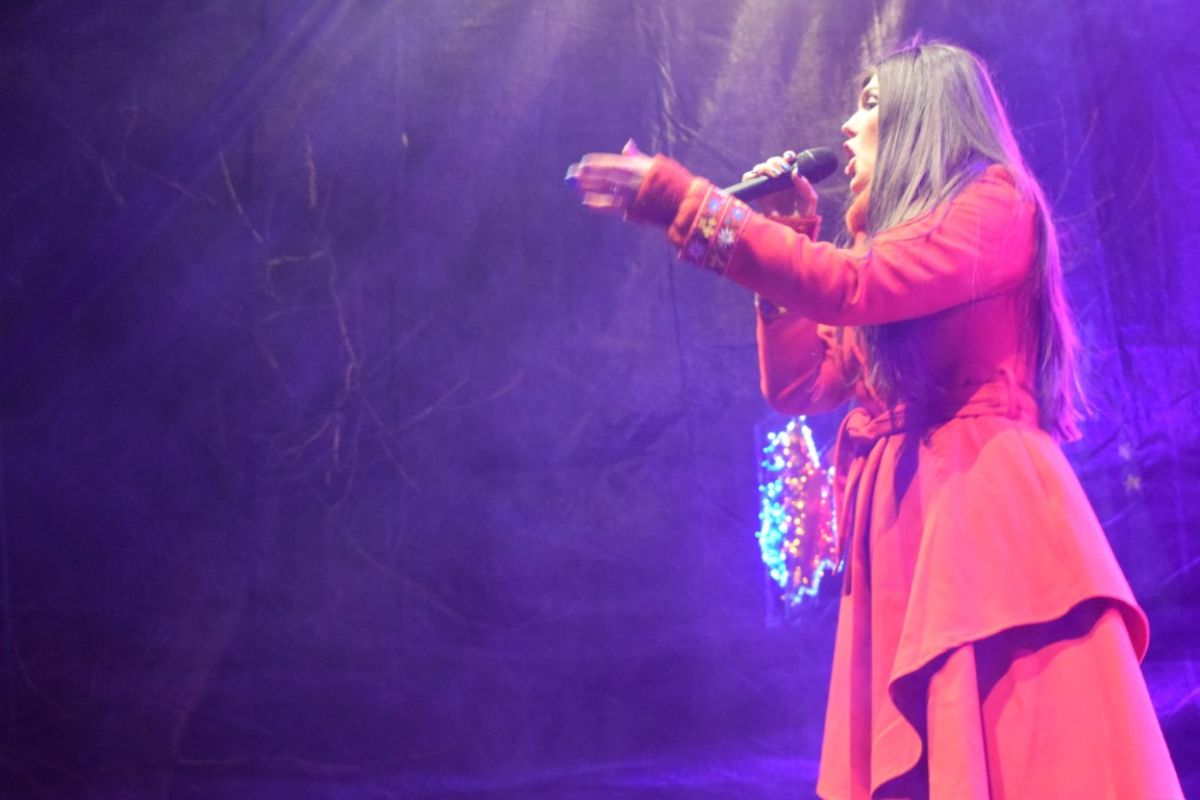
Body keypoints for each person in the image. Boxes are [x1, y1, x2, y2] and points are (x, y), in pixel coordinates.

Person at [566, 40, 1183, 799]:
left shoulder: (995, 207)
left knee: (1021, 746)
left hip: (982, 515)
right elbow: (802, 384)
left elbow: (850, 287)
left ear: (924, 117)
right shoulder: (877, 251)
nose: (848, 129)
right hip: (905, 524)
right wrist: (787, 241)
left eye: (870, 105)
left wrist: (687, 202)